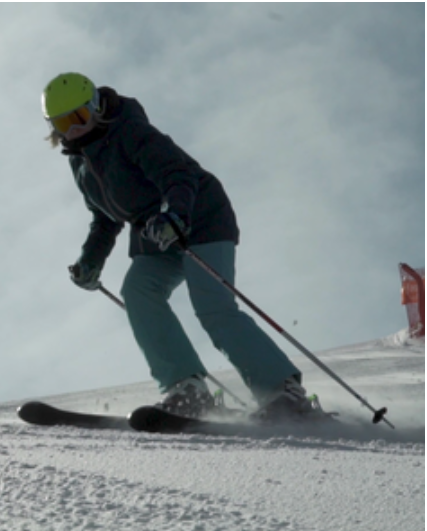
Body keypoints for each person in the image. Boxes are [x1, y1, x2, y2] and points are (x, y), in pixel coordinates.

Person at [41, 71, 318, 419]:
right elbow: (105, 219)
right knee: (138, 292)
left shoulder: (130, 131)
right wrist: (90, 261)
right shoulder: (80, 163)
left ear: (95, 106)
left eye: (79, 116)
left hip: (201, 216)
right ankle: (187, 388)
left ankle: (282, 391)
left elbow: (177, 173)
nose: (74, 129)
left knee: (212, 306)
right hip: (156, 233)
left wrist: (175, 215)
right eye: (63, 123)